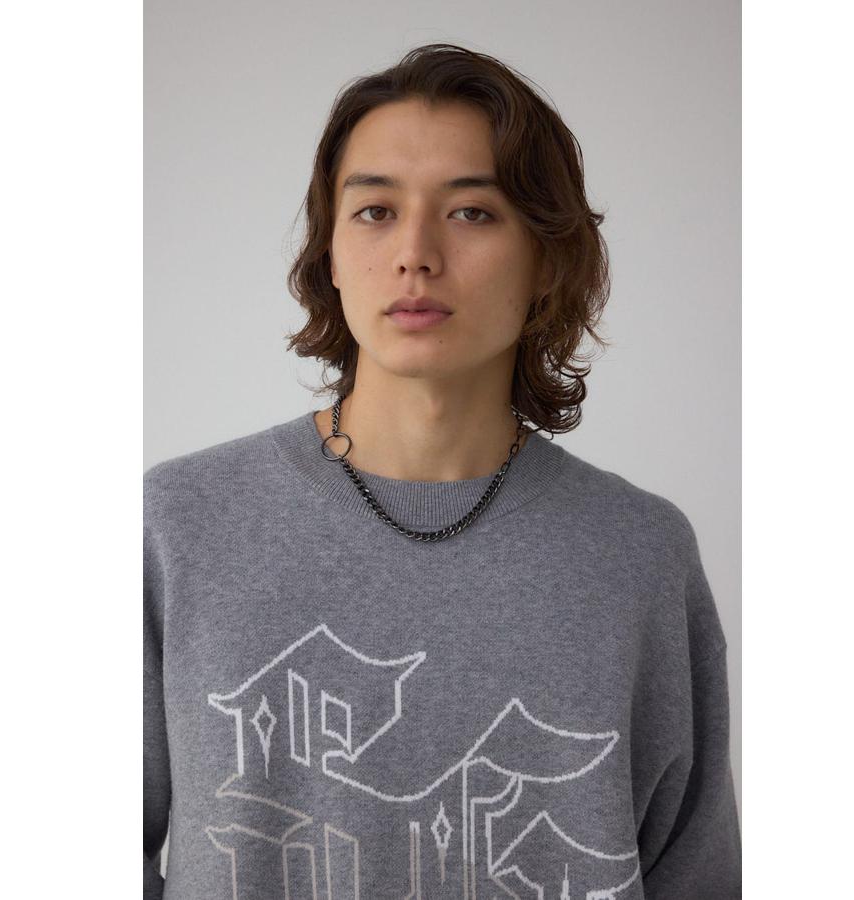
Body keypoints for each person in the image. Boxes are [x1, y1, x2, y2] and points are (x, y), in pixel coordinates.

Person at [144, 43, 741, 899]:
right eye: (375, 211)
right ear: (330, 253)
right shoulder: (180, 526)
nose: (415, 253)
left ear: (547, 257)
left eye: (471, 213)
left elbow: (696, 874)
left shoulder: (640, 553)